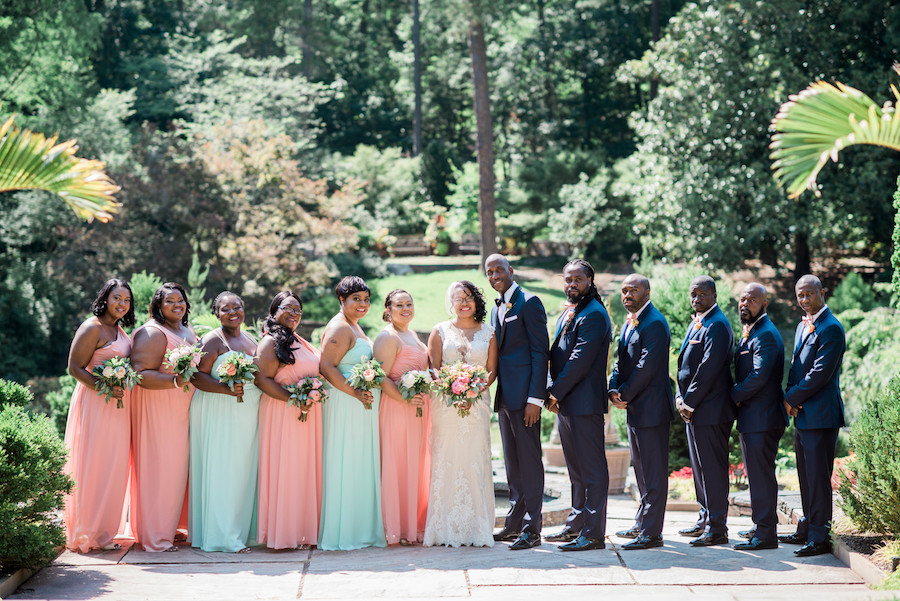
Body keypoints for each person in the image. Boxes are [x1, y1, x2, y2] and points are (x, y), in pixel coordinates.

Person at [63, 279, 136, 553]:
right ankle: (86, 532)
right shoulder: (91, 327)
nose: (122, 304)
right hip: (95, 403)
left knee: (113, 466)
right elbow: (74, 368)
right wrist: (104, 386)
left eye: (127, 300)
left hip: (118, 408)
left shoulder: (119, 329)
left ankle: (105, 533)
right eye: (117, 298)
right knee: (92, 464)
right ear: (105, 298)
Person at [423, 281, 498, 547]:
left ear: (476, 300)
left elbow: (491, 371)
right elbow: (433, 368)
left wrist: (472, 392)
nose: (463, 303)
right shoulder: (439, 331)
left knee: (474, 457)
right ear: (451, 303)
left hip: (477, 405)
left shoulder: (489, 332)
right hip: (445, 404)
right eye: (458, 298)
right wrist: (453, 392)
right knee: (448, 457)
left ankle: (477, 527)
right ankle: (444, 527)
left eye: (468, 297)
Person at [546, 259, 611, 552]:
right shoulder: (572, 310)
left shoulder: (595, 314)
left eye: (577, 280)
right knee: (576, 470)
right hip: (568, 405)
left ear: (590, 281)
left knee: (592, 470)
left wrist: (553, 392)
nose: (571, 285)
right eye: (567, 280)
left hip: (584, 404)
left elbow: (579, 360)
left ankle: (594, 532)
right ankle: (575, 525)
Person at [484, 254, 548, 551]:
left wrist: (535, 398)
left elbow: (539, 353)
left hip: (525, 400)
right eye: (489, 271)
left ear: (511, 271)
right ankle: (513, 523)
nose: (494, 275)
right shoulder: (498, 306)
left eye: (499, 269)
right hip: (505, 398)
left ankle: (532, 528)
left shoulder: (529, 302)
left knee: (530, 462)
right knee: (512, 463)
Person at [778, 274, 846, 557]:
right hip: (803, 413)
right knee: (805, 475)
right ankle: (807, 527)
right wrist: (791, 398)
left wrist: (789, 398)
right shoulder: (801, 326)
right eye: (800, 295)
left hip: (821, 414)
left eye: (809, 294)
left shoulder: (831, 328)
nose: (804, 300)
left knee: (818, 477)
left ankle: (820, 536)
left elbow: (820, 374)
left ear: (822, 293)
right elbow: (796, 369)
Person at [188, 291, 261, 553]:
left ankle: (242, 532)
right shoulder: (212, 340)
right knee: (224, 470)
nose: (233, 312)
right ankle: (222, 536)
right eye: (226, 309)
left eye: (237, 307)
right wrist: (226, 389)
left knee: (242, 471)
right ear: (216, 313)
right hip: (219, 409)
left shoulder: (251, 339)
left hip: (247, 411)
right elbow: (195, 376)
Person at [318, 276, 386, 550]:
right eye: (355, 299)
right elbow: (327, 367)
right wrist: (356, 392)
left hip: (359, 404)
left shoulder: (353, 325)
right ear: (342, 300)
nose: (362, 304)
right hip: (346, 403)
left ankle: (360, 527)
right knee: (346, 461)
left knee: (357, 462)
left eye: (366, 299)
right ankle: (345, 532)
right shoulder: (340, 328)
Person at [608, 274, 674, 550]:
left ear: (647, 291)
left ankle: (652, 533)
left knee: (654, 473)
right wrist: (612, 388)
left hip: (653, 410)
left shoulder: (655, 323)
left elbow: (646, 367)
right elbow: (620, 361)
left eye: (633, 290)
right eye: (624, 291)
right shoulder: (630, 322)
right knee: (642, 471)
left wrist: (624, 392)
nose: (627, 295)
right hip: (636, 408)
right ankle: (641, 522)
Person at [130, 282, 197, 552]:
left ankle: (173, 528)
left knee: (179, 470)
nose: (177, 305)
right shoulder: (152, 333)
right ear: (158, 305)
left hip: (181, 406)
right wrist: (176, 381)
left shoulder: (185, 329)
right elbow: (140, 374)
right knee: (161, 469)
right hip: (158, 407)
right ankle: (156, 537)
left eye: (180, 300)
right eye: (169, 301)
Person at [256, 291, 324, 550]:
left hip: (307, 413)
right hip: (284, 412)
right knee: (288, 468)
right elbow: (261, 379)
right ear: (275, 310)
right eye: (288, 308)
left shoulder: (299, 340)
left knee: (304, 469)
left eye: (299, 310)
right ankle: (284, 534)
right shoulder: (271, 342)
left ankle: (304, 530)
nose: (294, 314)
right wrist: (293, 399)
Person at [675, 275, 735, 547]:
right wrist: (680, 397)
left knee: (712, 469)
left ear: (714, 296)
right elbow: (684, 367)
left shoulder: (718, 324)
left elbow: (708, 368)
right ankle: (705, 517)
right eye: (693, 295)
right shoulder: (697, 321)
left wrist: (689, 402)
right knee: (700, 469)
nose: (696, 299)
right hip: (694, 410)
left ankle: (718, 527)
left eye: (701, 294)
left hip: (711, 410)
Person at [729, 283, 787, 552]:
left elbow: (759, 376)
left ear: (765, 304)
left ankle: (766, 534)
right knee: (757, 475)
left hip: (762, 418)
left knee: (762, 476)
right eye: (742, 299)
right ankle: (760, 525)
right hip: (754, 417)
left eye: (752, 300)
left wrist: (733, 395)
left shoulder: (765, 334)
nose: (745, 304)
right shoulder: (752, 330)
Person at [374, 289, 431, 546]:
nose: (405, 308)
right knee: (399, 464)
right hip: (398, 408)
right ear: (389, 309)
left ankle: (412, 525)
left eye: (409, 303)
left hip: (418, 411)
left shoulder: (412, 335)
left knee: (415, 465)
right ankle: (395, 528)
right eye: (399, 305)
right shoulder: (388, 337)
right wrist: (405, 398)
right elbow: (381, 377)